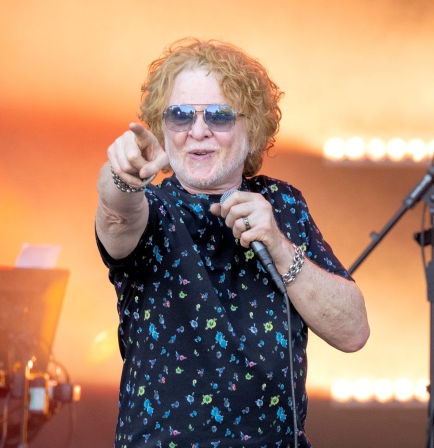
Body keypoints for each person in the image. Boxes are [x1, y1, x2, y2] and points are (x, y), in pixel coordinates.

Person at [95, 37, 369, 448]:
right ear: (163, 128)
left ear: (251, 130)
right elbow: (116, 214)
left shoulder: (282, 204)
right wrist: (122, 175)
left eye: (220, 116)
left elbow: (353, 331)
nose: (198, 131)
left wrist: (279, 246)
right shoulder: (152, 208)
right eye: (180, 115)